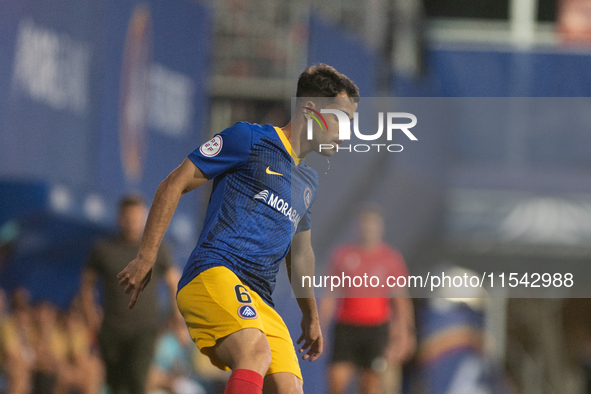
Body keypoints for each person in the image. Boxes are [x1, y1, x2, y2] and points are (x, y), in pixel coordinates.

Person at [117, 63, 359, 394]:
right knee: (255, 352)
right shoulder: (249, 138)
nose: (346, 133)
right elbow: (174, 184)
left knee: (290, 389)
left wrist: (311, 316)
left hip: (260, 297)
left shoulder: (309, 182)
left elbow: (300, 254)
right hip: (213, 273)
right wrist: (146, 255)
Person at [81, 194, 180, 394]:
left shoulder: (156, 248)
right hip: (111, 328)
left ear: (144, 217)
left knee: (137, 380)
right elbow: (86, 285)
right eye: (128, 216)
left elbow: (173, 282)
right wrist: (91, 315)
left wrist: (176, 315)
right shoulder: (103, 249)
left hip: (145, 329)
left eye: (136, 216)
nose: (132, 221)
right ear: (119, 218)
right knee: (115, 384)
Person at [320, 205, 416, 394]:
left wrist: (407, 332)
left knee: (370, 385)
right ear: (356, 227)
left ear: (380, 227)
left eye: (372, 224)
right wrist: (319, 327)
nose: (368, 228)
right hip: (346, 327)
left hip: (375, 329)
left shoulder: (391, 258)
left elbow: (401, 299)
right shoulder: (342, 256)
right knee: (337, 381)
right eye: (364, 224)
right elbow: (330, 295)